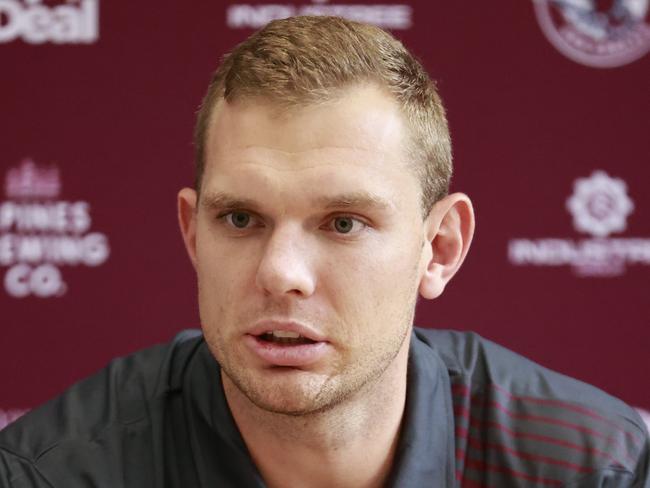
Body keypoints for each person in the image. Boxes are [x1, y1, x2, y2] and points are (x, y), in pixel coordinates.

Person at [0, 15, 648, 488]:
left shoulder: (590, 468)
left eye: (343, 222)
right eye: (241, 218)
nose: (281, 272)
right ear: (194, 234)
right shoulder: (54, 474)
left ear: (439, 248)